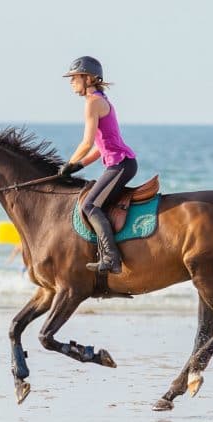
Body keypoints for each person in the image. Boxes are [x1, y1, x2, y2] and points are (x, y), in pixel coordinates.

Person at [59, 56, 138, 274]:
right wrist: (78, 166)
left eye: (74, 78)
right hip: (122, 163)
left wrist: (69, 164)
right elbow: (98, 148)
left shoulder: (93, 103)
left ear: (88, 78)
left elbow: (86, 142)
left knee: (89, 205)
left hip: (121, 165)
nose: (71, 82)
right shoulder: (100, 100)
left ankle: (112, 258)